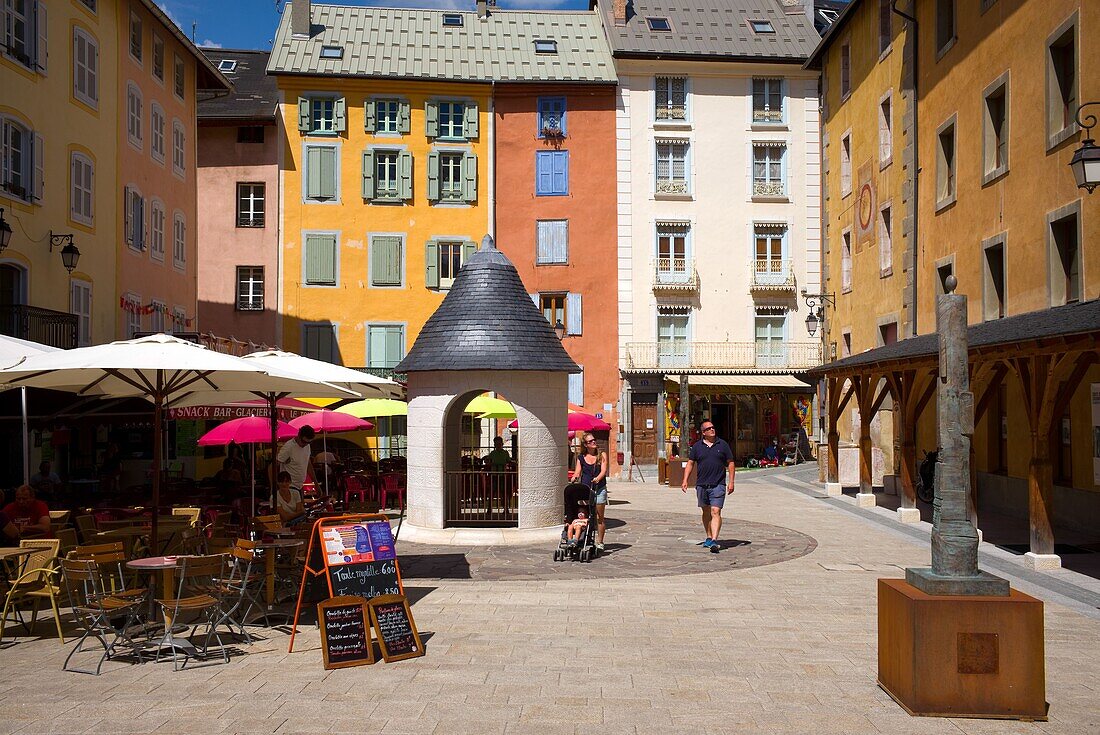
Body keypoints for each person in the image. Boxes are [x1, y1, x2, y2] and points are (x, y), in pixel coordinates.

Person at [681, 419, 735, 553]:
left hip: (718, 484)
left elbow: (731, 463)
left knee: (715, 511)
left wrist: (731, 481)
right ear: (703, 433)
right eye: (709, 428)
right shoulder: (697, 447)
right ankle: (709, 537)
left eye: (713, 427)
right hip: (702, 485)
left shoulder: (723, 445)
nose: (712, 430)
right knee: (706, 512)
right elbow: (690, 463)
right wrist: (685, 480)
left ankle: (715, 541)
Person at [573, 433, 608, 551]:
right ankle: (584, 538)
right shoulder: (581, 457)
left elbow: (604, 470)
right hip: (586, 490)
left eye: (594, 440)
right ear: (585, 445)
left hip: (599, 489)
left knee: (599, 516)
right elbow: (578, 472)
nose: (594, 442)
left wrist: (598, 478)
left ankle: (600, 541)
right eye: (590, 441)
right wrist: (574, 478)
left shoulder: (601, 455)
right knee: (585, 515)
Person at [277, 425, 315, 494]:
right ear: (299, 435)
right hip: (289, 486)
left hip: (300, 486)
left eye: (308, 442)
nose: (305, 444)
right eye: (304, 442)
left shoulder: (307, 446)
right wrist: (274, 486)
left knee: (300, 504)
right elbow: (272, 466)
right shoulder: (289, 447)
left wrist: (316, 484)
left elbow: (308, 464)